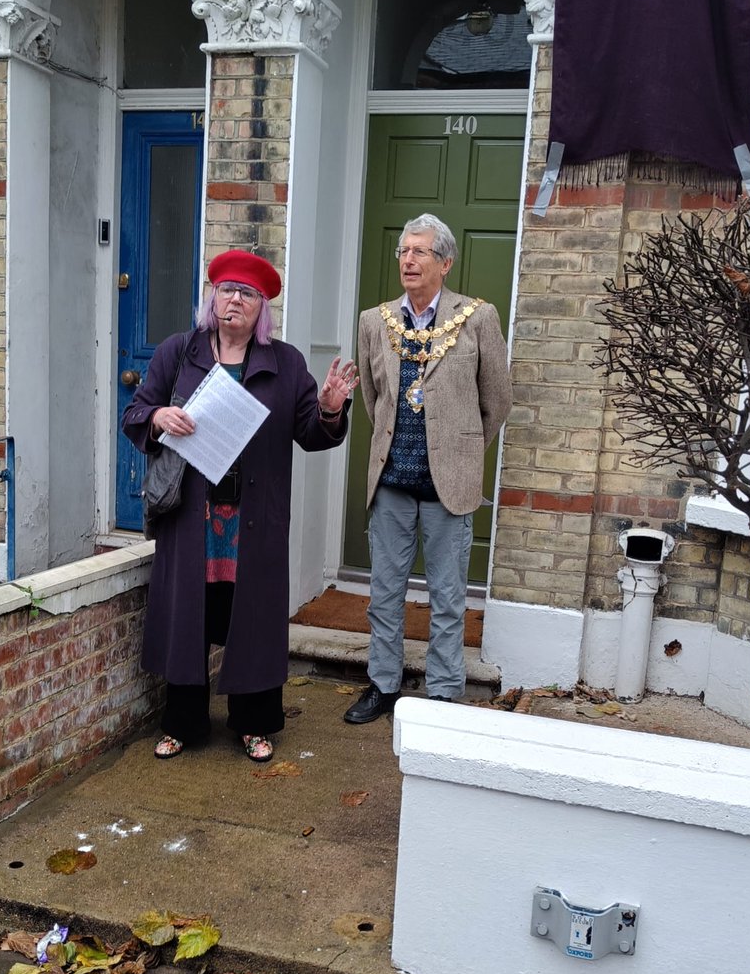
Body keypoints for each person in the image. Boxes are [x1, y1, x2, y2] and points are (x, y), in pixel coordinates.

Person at [122, 249, 358, 761]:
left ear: (262, 308)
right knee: (189, 619)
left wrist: (330, 408)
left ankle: (254, 724)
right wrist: (160, 415)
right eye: (227, 289)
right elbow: (134, 414)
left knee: (250, 620)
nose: (235, 300)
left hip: (252, 519)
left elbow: (312, 435)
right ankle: (183, 723)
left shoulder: (286, 362)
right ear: (213, 298)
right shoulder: (177, 353)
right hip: (193, 517)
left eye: (247, 294)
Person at [344, 213, 512, 725]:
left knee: (446, 597)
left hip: (450, 486)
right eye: (403, 252)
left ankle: (442, 693)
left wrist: (460, 449)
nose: (408, 260)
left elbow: (498, 401)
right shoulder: (376, 322)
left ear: (445, 262)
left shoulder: (477, 318)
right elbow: (374, 400)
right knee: (385, 594)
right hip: (392, 483)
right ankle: (383, 684)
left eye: (419, 252)